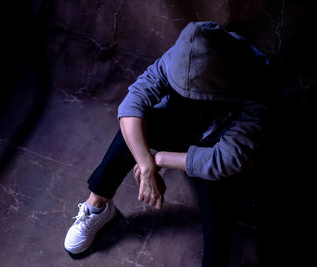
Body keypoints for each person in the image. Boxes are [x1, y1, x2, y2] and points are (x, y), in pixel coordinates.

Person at [64, 21, 270, 267]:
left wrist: (159, 158)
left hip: (217, 146)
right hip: (182, 125)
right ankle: (97, 206)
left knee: (217, 189)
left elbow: (226, 158)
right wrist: (146, 164)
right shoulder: (181, 54)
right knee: (139, 126)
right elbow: (131, 105)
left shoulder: (257, 78)